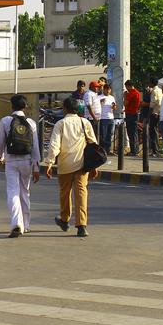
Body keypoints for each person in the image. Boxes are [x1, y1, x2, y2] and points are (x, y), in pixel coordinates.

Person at [43, 96, 97, 238]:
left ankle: (65, 219)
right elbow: (93, 145)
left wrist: (49, 163)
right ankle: (82, 226)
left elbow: (54, 145)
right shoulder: (85, 122)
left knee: (65, 194)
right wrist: (94, 166)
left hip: (65, 165)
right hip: (82, 165)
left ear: (65, 109)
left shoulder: (60, 124)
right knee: (81, 194)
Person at [0, 94, 41, 238]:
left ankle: (16, 224)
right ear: (25, 107)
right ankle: (26, 225)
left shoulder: (5, 121)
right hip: (27, 161)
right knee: (24, 192)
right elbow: (35, 147)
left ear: (12, 106)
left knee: (13, 192)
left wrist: (0, 156)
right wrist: (36, 167)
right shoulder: (31, 123)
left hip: (11, 162)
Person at [123, 80, 142, 156]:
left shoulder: (131, 93)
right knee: (134, 132)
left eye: (126, 87)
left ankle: (134, 151)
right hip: (134, 114)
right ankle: (135, 150)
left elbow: (125, 103)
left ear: (129, 86)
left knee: (131, 133)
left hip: (131, 114)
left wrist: (125, 96)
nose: (126, 89)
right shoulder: (137, 93)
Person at [98, 83, 117, 155]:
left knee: (110, 134)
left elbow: (115, 107)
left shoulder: (112, 97)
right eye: (107, 89)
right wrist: (100, 102)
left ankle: (108, 150)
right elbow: (96, 107)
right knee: (103, 135)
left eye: (109, 89)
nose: (108, 91)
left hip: (111, 117)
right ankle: (102, 150)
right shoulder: (99, 97)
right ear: (104, 89)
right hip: (103, 118)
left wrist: (114, 107)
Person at [148, 80, 163, 156]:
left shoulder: (154, 91)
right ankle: (155, 150)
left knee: (153, 132)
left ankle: (154, 151)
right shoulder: (160, 90)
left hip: (154, 113)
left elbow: (152, 104)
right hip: (159, 113)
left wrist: (148, 115)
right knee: (155, 131)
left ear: (152, 83)